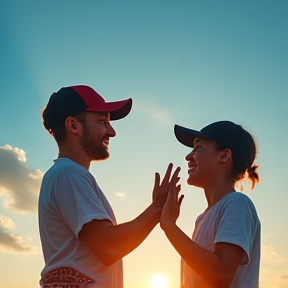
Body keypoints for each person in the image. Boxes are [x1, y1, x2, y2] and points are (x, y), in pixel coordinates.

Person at [38, 85, 180, 288]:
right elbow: (108, 247)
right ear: (74, 125)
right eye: (102, 121)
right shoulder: (69, 174)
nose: (111, 131)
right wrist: (157, 208)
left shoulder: (64, 175)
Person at [160, 120, 260, 288]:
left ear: (224, 155)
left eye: (198, 148)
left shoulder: (237, 204)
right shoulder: (203, 218)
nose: (188, 156)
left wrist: (169, 226)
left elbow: (220, 274)